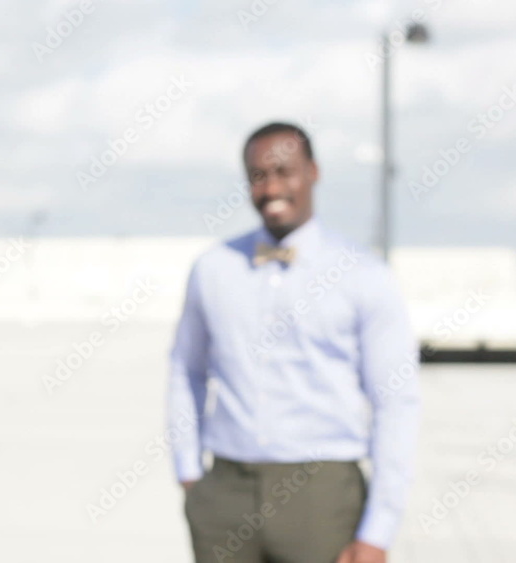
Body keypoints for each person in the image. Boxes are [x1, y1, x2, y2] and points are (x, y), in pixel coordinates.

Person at [167, 122, 420, 563]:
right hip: (224, 492)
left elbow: (396, 400)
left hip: (323, 497)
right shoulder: (212, 269)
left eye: (284, 172)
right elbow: (184, 370)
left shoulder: (365, 275)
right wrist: (190, 474)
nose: (271, 188)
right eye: (258, 175)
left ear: (313, 173)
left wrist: (378, 531)